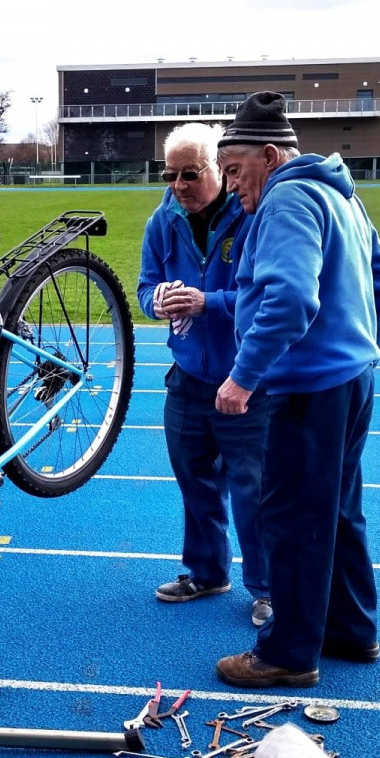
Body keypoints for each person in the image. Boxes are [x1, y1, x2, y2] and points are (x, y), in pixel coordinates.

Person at [210, 92, 380, 688]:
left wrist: (243, 375)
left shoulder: (287, 197)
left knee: (292, 518)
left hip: (308, 389)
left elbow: (291, 298)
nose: (232, 187)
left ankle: (288, 653)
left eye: (236, 171)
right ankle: (351, 630)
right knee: (339, 510)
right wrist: (364, 348)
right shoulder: (338, 192)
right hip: (350, 381)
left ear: (270, 156)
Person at [136, 123, 270, 626]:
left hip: (245, 377)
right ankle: (207, 570)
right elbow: (146, 287)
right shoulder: (163, 219)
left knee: (253, 488)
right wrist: (159, 301)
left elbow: (267, 298)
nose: (178, 185)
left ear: (219, 168)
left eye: (189, 173)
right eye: (169, 174)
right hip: (188, 373)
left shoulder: (254, 212)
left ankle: (266, 587)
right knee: (194, 480)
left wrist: (208, 302)